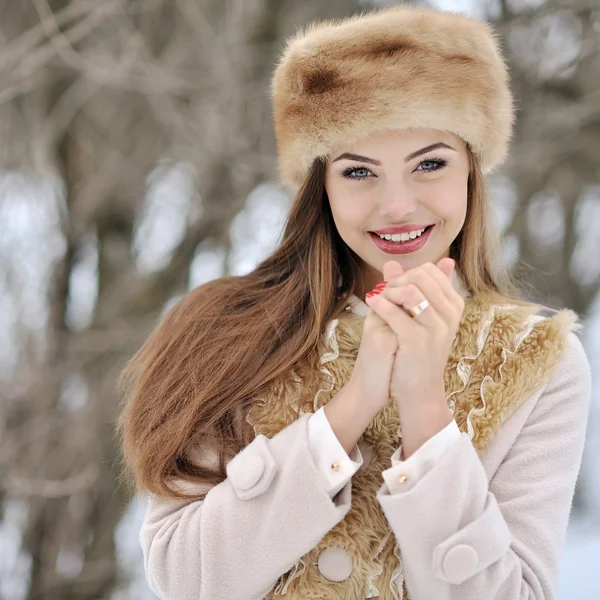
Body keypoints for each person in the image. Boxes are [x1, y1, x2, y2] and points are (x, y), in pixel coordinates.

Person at [117, 4, 592, 600]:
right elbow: (185, 579)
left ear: (472, 169)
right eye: (360, 172)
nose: (397, 205)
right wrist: (354, 403)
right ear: (322, 185)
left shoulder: (538, 362)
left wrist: (424, 410)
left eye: (430, 164)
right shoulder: (221, 331)